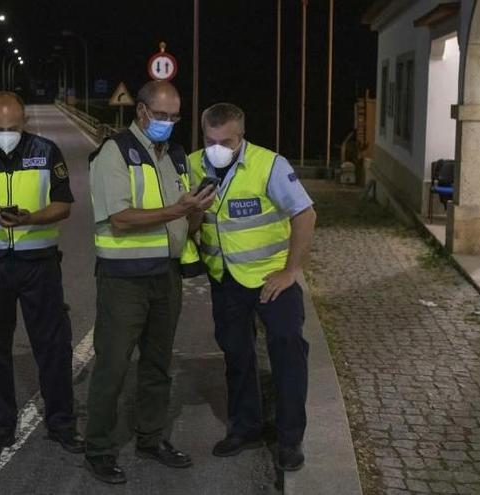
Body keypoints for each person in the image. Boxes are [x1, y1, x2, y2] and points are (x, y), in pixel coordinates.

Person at [85, 80, 216, 484]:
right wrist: (177, 208)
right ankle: (99, 448)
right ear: (140, 112)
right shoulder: (114, 153)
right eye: (161, 116)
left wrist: (194, 210)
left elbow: (184, 220)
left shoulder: (175, 156)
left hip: (166, 276)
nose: (169, 123)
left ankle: (150, 437)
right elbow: (119, 219)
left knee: (158, 364)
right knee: (112, 365)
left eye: (175, 116)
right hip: (124, 280)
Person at [0, 91, 83, 460]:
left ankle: (62, 424)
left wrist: (30, 218)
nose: (6, 133)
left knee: (53, 347)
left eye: (13, 126)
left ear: (24, 121)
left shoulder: (46, 150)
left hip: (38, 263)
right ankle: (0, 428)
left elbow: (63, 205)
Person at [188, 103, 316, 471]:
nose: (217, 148)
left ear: (241, 136)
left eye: (226, 141)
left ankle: (290, 440)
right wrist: (196, 209)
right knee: (236, 355)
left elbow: (305, 214)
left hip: (270, 279)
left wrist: (291, 271)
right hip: (225, 280)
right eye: (210, 140)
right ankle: (244, 428)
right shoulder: (195, 166)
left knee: (287, 349)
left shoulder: (269, 164)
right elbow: (192, 227)